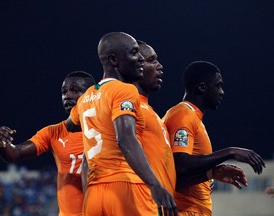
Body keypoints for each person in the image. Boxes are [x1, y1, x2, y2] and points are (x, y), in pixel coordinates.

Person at [66, 32, 177, 216]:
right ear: (114, 60)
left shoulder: (85, 98)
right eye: (134, 53)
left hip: (94, 194)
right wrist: (155, 185)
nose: (140, 59)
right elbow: (125, 139)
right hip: (125, 187)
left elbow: (71, 126)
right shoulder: (125, 90)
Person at [162, 61, 266, 216]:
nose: (222, 92)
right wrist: (230, 152)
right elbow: (180, 165)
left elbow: (178, 178)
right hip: (185, 211)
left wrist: (210, 174)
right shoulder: (183, 115)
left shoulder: (192, 117)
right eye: (218, 86)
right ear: (202, 87)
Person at [0, 71, 96, 216]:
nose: (67, 95)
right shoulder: (54, 132)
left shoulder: (108, 127)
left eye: (75, 90)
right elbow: (14, 153)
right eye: (64, 91)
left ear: (92, 94)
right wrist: (1, 143)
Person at [134, 40, 176, 197]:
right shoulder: (128, 107)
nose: (160, 66)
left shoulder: (151, 113)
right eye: (151, 60)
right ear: (135, 64)